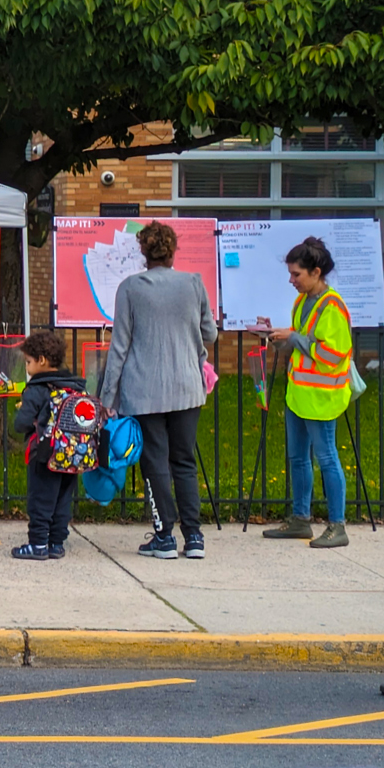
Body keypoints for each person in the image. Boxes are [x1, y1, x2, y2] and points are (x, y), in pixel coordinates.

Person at [99, 221, 217, 560]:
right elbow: (209, 333)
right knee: (184, 460)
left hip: (144, 388)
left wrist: (108, 398)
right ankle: (194, 537)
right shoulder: (193, 283)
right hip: (186, 386)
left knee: (155, 462)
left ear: (143, 252)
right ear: (173, 250)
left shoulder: (131, 288)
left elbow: (120, 346)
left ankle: (164, 535)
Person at [262, 237, 354, 548]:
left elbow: (332, 355)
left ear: (315, 272)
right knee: (298, 458)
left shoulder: (333, 307)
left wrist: (294, 337)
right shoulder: (302, 302)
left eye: (296, 274)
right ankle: (300, 519)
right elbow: (301, 345)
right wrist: (277, 337)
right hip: (299, 394)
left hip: (322, 398)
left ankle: (337, 526)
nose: (291, 280)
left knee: (327, 458)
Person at [10, 331, 87, 560]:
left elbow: (21, 424)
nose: (27, 367)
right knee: (63, 500)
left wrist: (23, 411)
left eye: (28, 362)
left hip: (44, 455)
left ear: (41, 360)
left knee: (41, 500)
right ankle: (56, 543)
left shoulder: (37, 389)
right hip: (71, 455)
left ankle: (38, 544)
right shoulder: (75, 387)